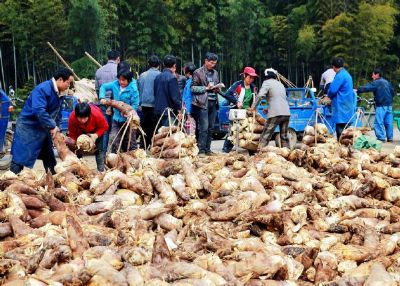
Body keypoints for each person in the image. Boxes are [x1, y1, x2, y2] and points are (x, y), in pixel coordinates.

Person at [10, 67, 74, 174]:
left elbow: (57, 113)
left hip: (43, 128)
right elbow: (38, 110)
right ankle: (7, 183)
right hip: (28, 127)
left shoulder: (61, 93)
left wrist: (57, 130)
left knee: (49, 157)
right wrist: (52, 126)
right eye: (68, 82)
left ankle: (53, 181)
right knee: (20, 158)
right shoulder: (42, 89)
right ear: (60, 80)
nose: (69, 85)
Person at [99, 68, 139, 153]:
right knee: (114, 139)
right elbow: (103, 87)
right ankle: (114, 158)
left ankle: (133, 158)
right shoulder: (115, 84)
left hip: (129, 120)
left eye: (123, 80)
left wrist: (129, 112)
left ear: (129, 80)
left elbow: (135, 104)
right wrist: (102, 97)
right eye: (119, 79)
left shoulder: (133, 89)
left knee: (130, 141)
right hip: (116, 118)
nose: (121, 82)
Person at [191, 52, 222, 156]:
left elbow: (216, 84)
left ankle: (208, 149)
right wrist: (205, 88)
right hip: (202, 102)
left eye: (215, 63)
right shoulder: (198, 72)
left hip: (214, 101)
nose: (213, 65)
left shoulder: (215, 73)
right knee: (204, 127)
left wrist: (217, 88)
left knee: (211, 127)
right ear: (206, 61)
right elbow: (193, 88)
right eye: (211, 63)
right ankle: (201, 150)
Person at [251, 68, 290, 150]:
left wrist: (253, 107)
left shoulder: (267, 83)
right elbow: (279, 99)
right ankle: (287, 154)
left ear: (266, 76)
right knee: (284, 136)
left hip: (276, 114)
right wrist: (268, 109)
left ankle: (260, 153)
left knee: (266, 135)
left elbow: (260, 95)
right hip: (286, 112)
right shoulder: (280, 84)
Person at [222, 66, 258, 153]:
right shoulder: (237, 85)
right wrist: (236, 102)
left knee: (249, 130)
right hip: (237, 111)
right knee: (233, 130)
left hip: (248, 112)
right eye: (250, 77)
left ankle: (251, 150)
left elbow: (255, 99)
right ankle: (226, 149)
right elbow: (227, 94)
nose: (251, 79)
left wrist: (253, 107)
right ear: (244, 75)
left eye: (253, 78)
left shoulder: (253, 87)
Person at [66, 102, 109, 171]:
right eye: (80, 118)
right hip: (80, 131)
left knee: (99, 150)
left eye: (85, 118)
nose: (82, 120)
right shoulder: (72, 117)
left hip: (96, 130)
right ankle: (79, 169)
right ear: (76, 116)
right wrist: (74, 143)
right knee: (76, 149)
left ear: (89, 115)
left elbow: (105, 127)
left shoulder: (96, 115)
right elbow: (72, 134)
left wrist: (95, 135)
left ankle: (101, 170)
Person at [357, 68, 395, 142]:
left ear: (377, 75)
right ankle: (390, 138)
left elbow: (367, 87)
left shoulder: (377, 82)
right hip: (389, 105)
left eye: (373, 74)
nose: (372, 76)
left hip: (381, 105)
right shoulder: (387, 82)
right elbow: (392, 92)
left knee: (378, 122)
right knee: (389, 122)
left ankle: (381, 138)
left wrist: (358, 89)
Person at [95, 50, 121, 156]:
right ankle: (114, 152)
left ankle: (103, 151)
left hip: (103, 103)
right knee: (116, 127)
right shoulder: (119, 71)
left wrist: (102, 99)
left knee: (104, 128)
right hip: (116, 104)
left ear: (108, 58)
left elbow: (97, 89)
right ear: (118, 59)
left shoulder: (99, 71)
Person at [327, 57, 356, 139]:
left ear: (333, 67)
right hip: (347, 104)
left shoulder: (340, 75)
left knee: (341, 131)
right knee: (347, 131)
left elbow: (332, 90)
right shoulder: (347, 75)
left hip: (341, 105)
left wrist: (328, 95)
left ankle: (341, 146)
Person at [138, 55, 161, 147]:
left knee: (144, 126)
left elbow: (140, 89)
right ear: (158, 64)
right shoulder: (160, 75)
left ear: (149, 64)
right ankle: (153, 145)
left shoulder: (143, 75)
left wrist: (140, 103)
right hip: (156, 105)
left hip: (144, 105)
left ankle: (143, 145)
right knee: (155, 126)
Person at [154, 54, 181, 127]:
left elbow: (155, 93)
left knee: (160, 136)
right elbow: (175, 97)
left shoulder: (157, 77)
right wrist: (179, 110)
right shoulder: (172, 78)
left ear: (163, 64)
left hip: (157, 110)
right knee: (168, 135)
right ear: (174, 65)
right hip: (168, 112)